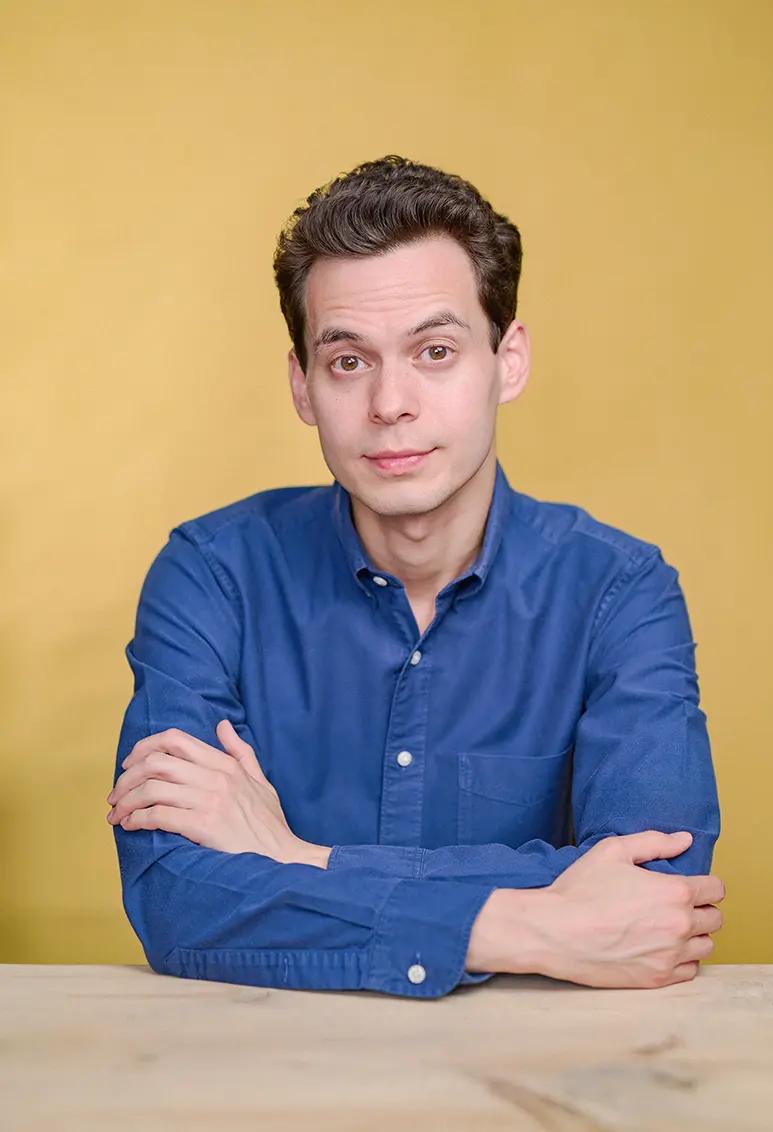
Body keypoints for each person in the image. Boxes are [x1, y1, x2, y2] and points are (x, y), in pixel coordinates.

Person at [106, 155, 724, 998]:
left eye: (435, 350)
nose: (390, 402)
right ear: (302, 385)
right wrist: (516, 924)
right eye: (349, 361)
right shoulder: (213, 575)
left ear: (508, 361)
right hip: (262, 1082)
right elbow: (175, 898)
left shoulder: (619, 590)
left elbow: (656, 894)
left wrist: (298, 858)